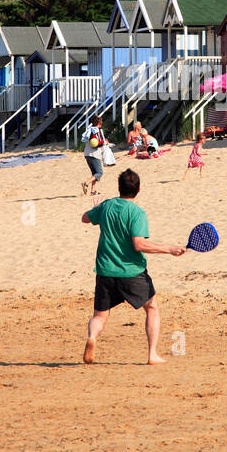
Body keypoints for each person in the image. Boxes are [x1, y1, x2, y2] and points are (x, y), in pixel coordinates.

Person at [80, 168, 185, 365]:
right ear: (139, 189)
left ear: (118, 188)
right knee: (152, 307)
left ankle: (92, 337)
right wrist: (169, 249)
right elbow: (139, 244)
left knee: (100, 316)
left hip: (105, 271)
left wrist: (98, 208)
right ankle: (152, 355)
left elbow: (85, 218)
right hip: (131, 272)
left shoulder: (107, 205)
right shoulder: (137, 213)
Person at [82, 114, 107, 197]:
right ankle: (86, 184)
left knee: (94, 173)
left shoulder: (89, 130)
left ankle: (93, 191)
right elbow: (102, 142)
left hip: (87, 153)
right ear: (99, 124)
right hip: (94, 154)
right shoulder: (99, 131)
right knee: (99, 172)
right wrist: (105, 142)